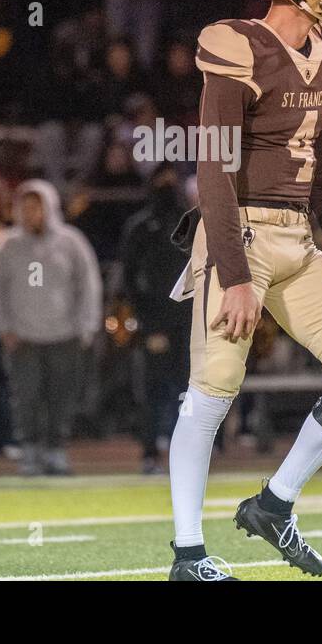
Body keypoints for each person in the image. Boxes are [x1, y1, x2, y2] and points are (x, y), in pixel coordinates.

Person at [166, 0, 322, 581]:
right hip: (242, 236)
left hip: (298, 239)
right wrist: (233, 273)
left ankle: (273, 503)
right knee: (213, 390)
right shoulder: (236, 44)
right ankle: (188, 555)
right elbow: (214, 170)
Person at [0, 180, 103, 476]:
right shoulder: (7, 244)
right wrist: (3, 327)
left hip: (64, 335)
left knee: (61, 397)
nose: (30, 213)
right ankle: (30, 450)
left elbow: (88, 285)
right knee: (26, 397)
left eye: (35, 207)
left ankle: (56, 449)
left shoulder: (71, 241)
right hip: (22, 337)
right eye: (24, 207)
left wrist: (87, 325)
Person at [116, 164, 193, 474]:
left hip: (189, 323)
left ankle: (186, 453)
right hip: (156, 323)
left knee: (188, 391)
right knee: (154, 391)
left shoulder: (192, 224)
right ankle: (150, 452)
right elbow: (131, 282)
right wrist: (148, 324)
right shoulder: (140, 227)